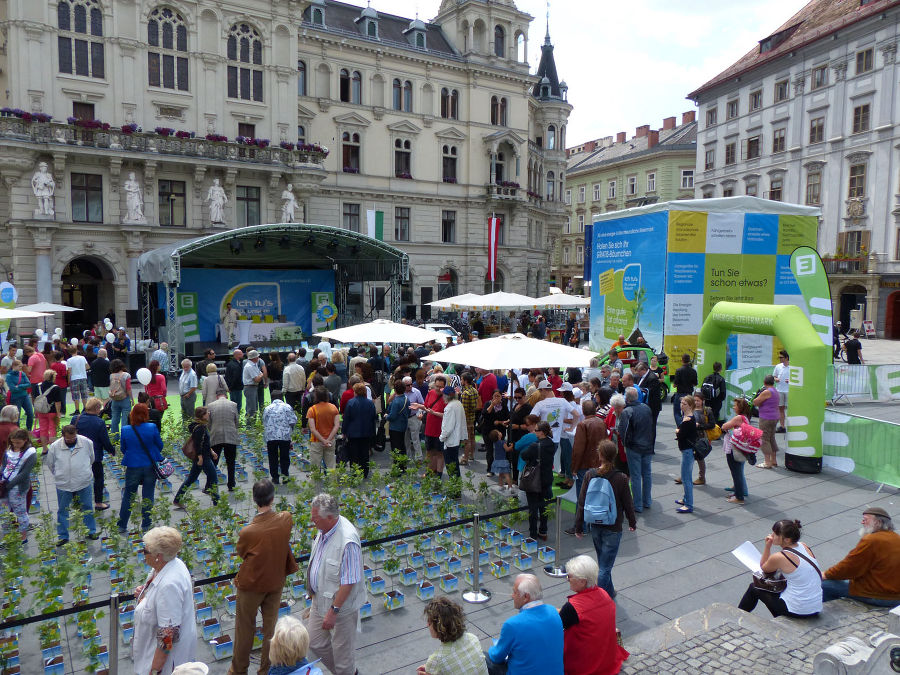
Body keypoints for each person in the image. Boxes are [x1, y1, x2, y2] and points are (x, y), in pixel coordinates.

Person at [229, 479, 299, 675]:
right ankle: (266, 669)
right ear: (273, 498)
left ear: (254, 499)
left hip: (251, 585)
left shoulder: (247, 531)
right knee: (271, 629)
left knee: (245, 628)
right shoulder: (285, 519)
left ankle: (238, 670)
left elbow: (242, 553)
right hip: (275, 581)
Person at [305, 493, 365, 675]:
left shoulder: (348, 541)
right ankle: (345, 672)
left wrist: (333, 611)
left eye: (315, 518)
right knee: (314, 641)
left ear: (330, 517)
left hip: (341, 608)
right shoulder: (324, 528)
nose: (311, 521)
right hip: (319, 600)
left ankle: (346, 672)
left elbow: (349, 581)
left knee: (343, 655)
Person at [574, 440, 636, 599]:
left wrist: (579, 526)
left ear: (600, 455)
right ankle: (598, 599)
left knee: (603, 563)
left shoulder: (589, 474)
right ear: (614, 456)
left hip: (594, 523)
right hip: (613, 526)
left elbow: (582, 502)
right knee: (605, 567)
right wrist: (632, 522)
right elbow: (628, 503)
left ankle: (610, 592)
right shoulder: (621, 478)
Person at [132, 526, 196, 674]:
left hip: (166, 662)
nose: (143, 553)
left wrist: (154, 670)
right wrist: (144, 595)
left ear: (158, 556)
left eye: (146, 551)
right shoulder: (171, 563)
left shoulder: (169, 586)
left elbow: (167, 636)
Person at [559, 555, 629, 675]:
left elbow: (556, 625)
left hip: (584, 665)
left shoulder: (573, 607)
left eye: (570, 576)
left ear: (582, 581)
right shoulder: (604, 594)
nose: (567, 579)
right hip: (606, 658)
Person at [738, 519, 822, 618]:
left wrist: (767, 546)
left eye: (776, 534)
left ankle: (736, 616)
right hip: (815, 607)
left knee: (754, 588)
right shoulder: (804, 546)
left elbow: (764, 567)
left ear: (787, 539)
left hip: (799, 610)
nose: (772, 535)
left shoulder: (780, 557)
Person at [486, 574, 564, 675]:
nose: (512, 596)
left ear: (526, 597)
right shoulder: (554, 611)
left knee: (485, 657)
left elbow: (496, 656)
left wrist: (493, 649)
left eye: (515, 592)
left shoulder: (512, 625)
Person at [821, 507, 900, 606]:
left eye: (865, 520)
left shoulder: (872, 540)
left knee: (824, 585)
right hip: (895, 594)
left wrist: (827, 574)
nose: (862, 522)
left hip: (879, 595)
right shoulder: (896, 537)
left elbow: (849, 567)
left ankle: (818, 614)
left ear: (877, 522)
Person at [46, 425, 99, 545]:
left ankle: (91, 531)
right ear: (63, 436)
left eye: (73, 438)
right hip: (63, 483)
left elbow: (92, 458)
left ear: (76, 433)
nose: (71, 440)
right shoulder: (55, 447)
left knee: (87, 507)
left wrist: (84, 471)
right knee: (63, 510)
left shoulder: (86, 442)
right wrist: (60, 474)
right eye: (68, 439)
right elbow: (50, 464)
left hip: (83, 481)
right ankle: (63, 536)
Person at [117, 404, 164, 533]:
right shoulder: (152, 427)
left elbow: (123, 448)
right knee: (148, 495)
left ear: (131, 414)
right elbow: (160, 445)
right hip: (149, 465)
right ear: (146, 414)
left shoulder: (126, 429)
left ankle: (122, 525)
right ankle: (146, 525)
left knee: (129, 496)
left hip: (133, 465)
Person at [418, 597, 488, 675]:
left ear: (439, 628)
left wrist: (432, 667)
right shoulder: (473, 638)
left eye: (429, 622)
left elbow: (439, 664)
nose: (427, 624)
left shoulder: (437, 659)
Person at [71, 397, 115, 510]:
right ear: (96, 409)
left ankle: (77, 502)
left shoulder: (76, 419)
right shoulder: (99, 422)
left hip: (77, 454)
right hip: (94, 455)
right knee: (98, 478)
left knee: (77, 478)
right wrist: (112, 450)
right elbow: (105, 441)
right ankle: (98, 502)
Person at [617, 387, 654, 513]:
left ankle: (637, 505)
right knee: (647, 474)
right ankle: (647, 501)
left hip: (634, 447)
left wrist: (625, 444)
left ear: (626, 398)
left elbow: (623, 431)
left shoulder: (627, 411)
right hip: (647, 446)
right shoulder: (646, 408)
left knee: (636, 476)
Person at [174, 407, 218, 507]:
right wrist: (200, 458)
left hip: (203, 456)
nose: (209, 413)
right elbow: (198, 444)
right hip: (204, 458)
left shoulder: (201, 426)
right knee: (214, 478)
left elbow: (204, 442)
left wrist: (212, 451)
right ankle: (217, 502)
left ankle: (177, 499)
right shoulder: (200, 428)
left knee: (191, 479)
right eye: (207, 412)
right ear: (203, 415)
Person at [519, 421, 556, 541]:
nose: (534, 432)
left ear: (542, 432)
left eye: (536, 430)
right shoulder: (551, 443)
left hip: (535, 479)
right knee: (543, 506)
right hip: (546, 478)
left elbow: (524, 455)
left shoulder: (535, 445)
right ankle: (543, 531)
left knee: (533, 508)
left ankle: (533, 534)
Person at [0, 429, 37, 542]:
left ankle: (23, 536)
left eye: (18, 443)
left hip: (18, 487)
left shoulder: (30, 452)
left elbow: (25, 473)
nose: (15, 444)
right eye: (13, 442)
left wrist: (10, 485)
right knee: (3, 511)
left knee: (20, 511)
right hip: (5, 485)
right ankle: (7, 535)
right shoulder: (9, 450)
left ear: (25, 440)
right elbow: (4, 466)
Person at [570, 400, 606, 502]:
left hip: (585, 466)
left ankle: (581, 517)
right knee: (596, 495)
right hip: (599, 463)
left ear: (583, 411)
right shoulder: (602, 423)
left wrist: (574, 468)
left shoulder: (582, 425)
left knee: (582, 497)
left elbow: (578, 449)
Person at [342, 382, 376, 478]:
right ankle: (365, 471)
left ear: (355, 392)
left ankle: (355, 472)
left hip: (353, 433)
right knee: (365, 453)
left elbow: (346, 419)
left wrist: (344, 432)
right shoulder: (370, 403)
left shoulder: (351, 403)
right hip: (366, 431)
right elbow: (373, 417)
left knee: (354, 454)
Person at [721, 398, 751, 505]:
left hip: (734, 449)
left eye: (735, 405)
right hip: (740, 448)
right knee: (738, 472)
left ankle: (739, 497)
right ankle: (739, 493)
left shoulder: (738, 418)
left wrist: (726, 426)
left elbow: (724, 426)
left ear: (740, 407)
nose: (733, 407)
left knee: (736, 473)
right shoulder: (746, 418)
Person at [208, 389, 240, 491]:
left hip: (216, 435)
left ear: (217, 396)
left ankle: (211, 484)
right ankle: (231, 484)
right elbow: (236, 420)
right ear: (226, 396)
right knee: (231, 462)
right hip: (230, 435)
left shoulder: (211, 405)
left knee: (213, 462)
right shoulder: (233, 404)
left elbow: (209, 423)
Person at [674, 396, 697, 514]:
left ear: (690, 406)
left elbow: (681, 433)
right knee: (685, 476)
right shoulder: (687, 417)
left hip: (688, 451)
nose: (681, 405)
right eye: (681, 403)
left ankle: (689, 504)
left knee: (686, 478)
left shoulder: (688, 420)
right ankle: (685, 499)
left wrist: (677, 431)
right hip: (687, 450)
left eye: (684, 404)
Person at [752, 375, 780, 469]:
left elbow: (755, 402)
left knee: (764, 439)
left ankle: (767, 462)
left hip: (766, 418)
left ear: (764, 382)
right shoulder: (775, 390)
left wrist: (757, 396)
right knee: (771, 438)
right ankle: (774, 460)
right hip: (775, 417)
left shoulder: (767, 392)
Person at [438, 386, 466, 480]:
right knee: (455, 465)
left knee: (451, 466)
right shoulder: (458, 403)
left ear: (446, 396)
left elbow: (447, 427)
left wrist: (442, 438)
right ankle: (456, 488)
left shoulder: (449, 407)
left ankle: (455, 490)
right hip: (457, 439)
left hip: (450, 440)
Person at [507, 387, 533, 483]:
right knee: (512, 457)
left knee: (518, 458)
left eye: (519, 397)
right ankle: (514, 478)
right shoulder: (516, 405)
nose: (517, 399)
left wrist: (516, 426)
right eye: (515, 397)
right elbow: (513, 418)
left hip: (521, 436)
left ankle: (517, 479)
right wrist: (508, 422)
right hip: (512, 435)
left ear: (524, 396)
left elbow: (529, 426)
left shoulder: (528, 408)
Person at [481, 390, 509, 476]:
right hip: (488, 430)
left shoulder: (504, 406)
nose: (496, 398)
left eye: (498, 396)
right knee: (489, 450)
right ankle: (490, 469)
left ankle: (502, 470)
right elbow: (484, 414)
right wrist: (492, 405)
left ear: (501, 397)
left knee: (500, 450)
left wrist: (500, 422)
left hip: (500, 431)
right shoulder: (488, 404)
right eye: (495, 396)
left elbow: (507, 417)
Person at [36, 369, 62, 455]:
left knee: (43, 429)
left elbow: (35, 399)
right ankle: (53, 449)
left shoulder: (39, 386)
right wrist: (58, 413)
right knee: (52, 429)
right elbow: (58, 402)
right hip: (52, 411)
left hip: (41, 411)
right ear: (53, 377)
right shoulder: (56, 387)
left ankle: (44, 449)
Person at [385, 381, 410, 471]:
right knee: (402, 446)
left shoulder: (396, 402)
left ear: (395, 390)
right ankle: (403, 466)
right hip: (403, 425)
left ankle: (397, 467)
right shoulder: (407, 399)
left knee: (395, 447)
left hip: (395, 426)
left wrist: (386, 416)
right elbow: (409, 412)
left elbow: (392, 416)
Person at [459, 372, 481, 466]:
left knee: (466, 440)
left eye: (462, 379)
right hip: (472, 417)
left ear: (465, 381)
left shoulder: (465, 393)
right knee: (472, 437)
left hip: (466, 419)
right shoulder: (474, 390)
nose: (461, 381)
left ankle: (465, 458)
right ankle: (471, 455)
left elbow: (464, 409)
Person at [108, 359, 133, 436]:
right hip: (124, 398)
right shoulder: (126, 375)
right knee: (125, 420)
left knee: (114, 419)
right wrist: (131, 398)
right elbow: (128, 388)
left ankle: (114, 438)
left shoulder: (111, 376)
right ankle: (124, 437)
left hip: (114, 399)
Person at [6, 360, 34, 430]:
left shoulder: (22, 373)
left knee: (30, 413)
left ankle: (29, 429)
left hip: (25, 396)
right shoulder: (9, 375)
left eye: (21, 366)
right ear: (14, 366)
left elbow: (29, 384)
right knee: (17, 416)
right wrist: (23, 387)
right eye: (19, 366)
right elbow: (12, 389)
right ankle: (17, 430)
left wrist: (19, 386)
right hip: (15, 397)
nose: (20, 368)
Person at [402, 376, 425, 462]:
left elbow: (422, 405)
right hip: (404, 419)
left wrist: (420, 414)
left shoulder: (416, 392)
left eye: (411, 384)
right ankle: (408, 457)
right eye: (408, 385)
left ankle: (419, 457)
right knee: (405, 439)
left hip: (414, 417)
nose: (410, 386)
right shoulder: (401, 392)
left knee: (415, 439)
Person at [671, 353, 697, 425]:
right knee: (687, 411)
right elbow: (695, 383)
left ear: (682, 360)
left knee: (677, 411)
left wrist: (675, 384)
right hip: (689, 393)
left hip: (680, 392)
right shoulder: (693, 371)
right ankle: (686, 425)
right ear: (689, 361)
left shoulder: (679, 370)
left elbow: (675, 384)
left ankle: (680, 425)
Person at [243, 350, 265, 423]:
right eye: (257, 357)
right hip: (250, 387)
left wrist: (260, 375)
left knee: (253, 407)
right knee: (251, 408)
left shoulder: (253, 365)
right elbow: (257, 379)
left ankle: (252, 425)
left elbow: (260, 375)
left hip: (253, 387)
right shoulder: (250, 366)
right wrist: (261, 375)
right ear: (254, 358)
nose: (258, 358)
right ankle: (249, 426)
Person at [772, 350, 790, 433]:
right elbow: (774, 376)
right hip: (780, 390)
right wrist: (776, 379)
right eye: (779, 357)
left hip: (789, 390)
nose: (780, 359)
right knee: (780, 408)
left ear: (786, 358)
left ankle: (791, 426)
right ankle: (782, 426)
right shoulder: (778, 366)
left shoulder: (792, 366)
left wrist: (790, 380)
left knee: (790, 409)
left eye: (781, 357)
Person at [49, 351, 68, 416]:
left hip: (54, 383)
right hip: (62, 384)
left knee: (55, 399)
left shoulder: (52, 365)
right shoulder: (63, 366)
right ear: (62, 358)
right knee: (63, 399)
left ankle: (56, 411)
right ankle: (63, 412)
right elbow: (64, 375)